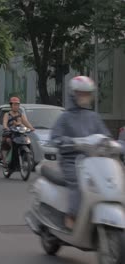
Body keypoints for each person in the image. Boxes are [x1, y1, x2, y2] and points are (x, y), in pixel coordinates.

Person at [50, 76, 110, 230]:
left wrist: (114, 144)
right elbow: (55, 137)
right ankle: (72, 214)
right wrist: (70, 142)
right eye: (81, 93)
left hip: (94, 161)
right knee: (78, 183)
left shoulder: (94, 117)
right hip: (71, 161)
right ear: (73, 94)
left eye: (87, 93)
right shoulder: (65, 117)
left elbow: (106, 137)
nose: (84, 97)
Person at [1, 96, 35, 167]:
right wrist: (6, 127)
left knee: (28, 141)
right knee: (7, 141)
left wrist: (31, 128)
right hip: (10, 133)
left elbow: (26, 122)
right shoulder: (7, 114)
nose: (16, 106)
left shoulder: (21, 115)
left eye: (17, 105)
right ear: (11, 105)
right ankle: (5, 159)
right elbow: (4, 123)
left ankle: (28, 157)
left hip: (19, 134)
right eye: (14, 104)